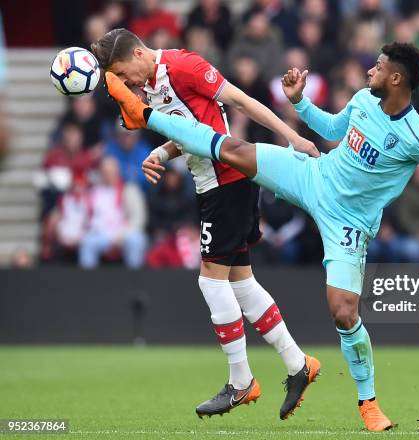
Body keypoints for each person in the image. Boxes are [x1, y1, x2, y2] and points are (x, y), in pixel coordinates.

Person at [104, 42, 419, 431]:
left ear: (397, 78)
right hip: (314, 175)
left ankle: (368, 403)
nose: (370, 72)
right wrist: (299, 103)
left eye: (378, 67)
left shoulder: (417, 136)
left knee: (343, 312)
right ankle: (149, 117)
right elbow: (331, 128)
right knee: (231, 148)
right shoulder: (365, 100)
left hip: (347, 222)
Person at [91, 28, 318, 420]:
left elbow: (241, 102)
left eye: (122, 73)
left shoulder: (183, 66)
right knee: (241, 284)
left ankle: (241, 381)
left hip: (227, 181)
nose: (125, 83)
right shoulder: (155, 84)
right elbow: (191, 130)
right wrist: (162, 153)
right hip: (214, 185)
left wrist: (291, 137)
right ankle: (299, 365)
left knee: (209, 281)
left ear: (139, 53)